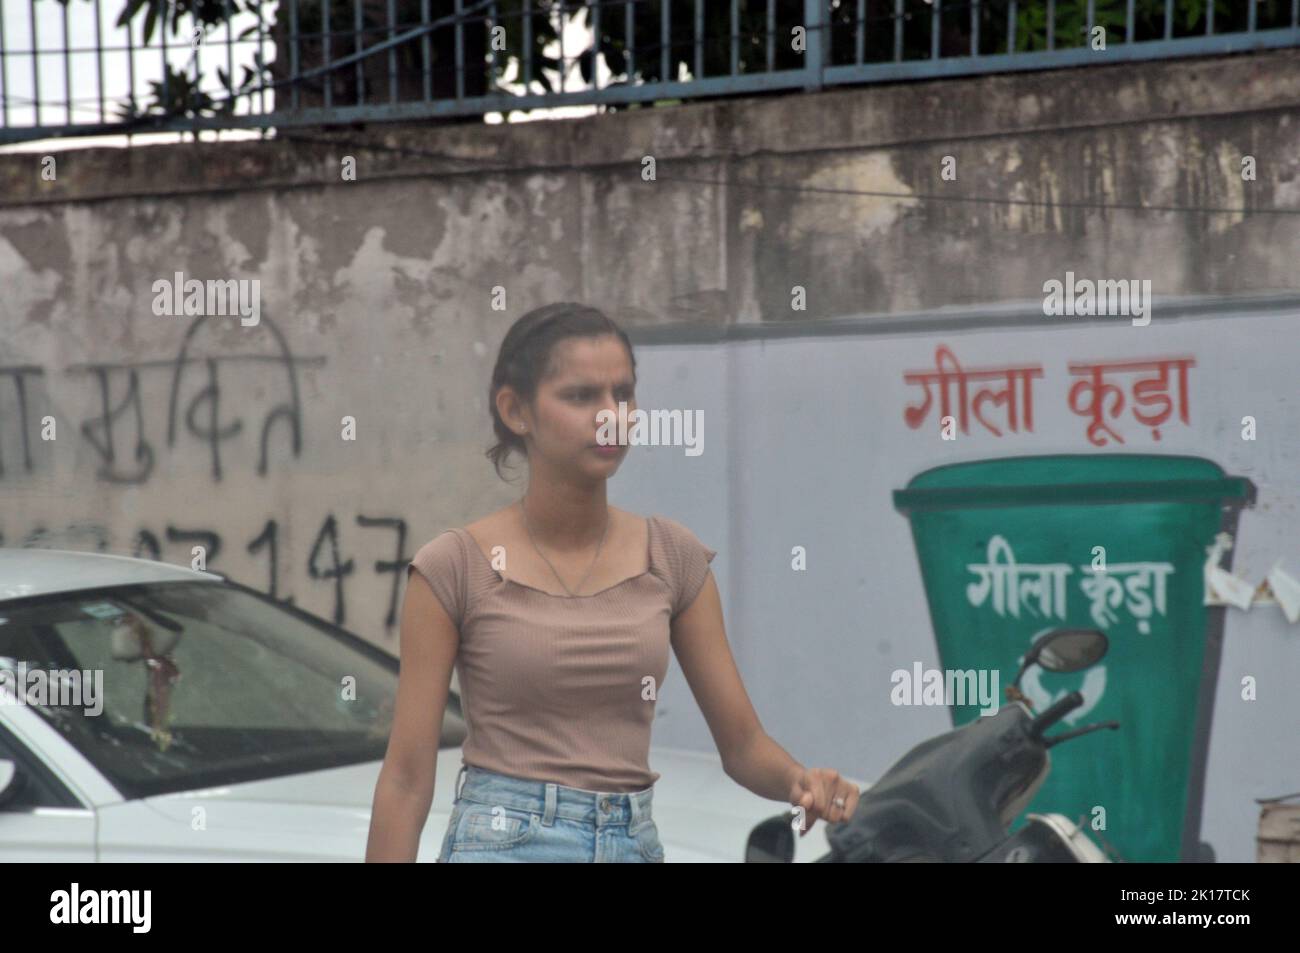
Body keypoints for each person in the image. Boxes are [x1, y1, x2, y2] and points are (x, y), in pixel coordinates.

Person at [366, 302, 859, 862]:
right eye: (581, 396)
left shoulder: (672, 557)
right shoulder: (455, 565)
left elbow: (743, 744)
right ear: (515, 409)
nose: (610, 415)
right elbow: (406, 779)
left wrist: (801, 782)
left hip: (632, 842)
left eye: (622, 395)